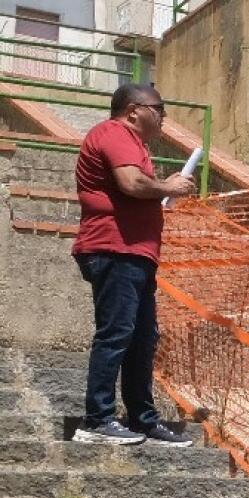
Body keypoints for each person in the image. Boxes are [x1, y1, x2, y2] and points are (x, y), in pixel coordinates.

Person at [71, 82, 195, 446]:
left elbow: (135, 189)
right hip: (115, 251)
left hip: (134, 254)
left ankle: (142, 420)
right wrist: (169, 187)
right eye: (159, 109)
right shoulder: (114, 132)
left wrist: (160, 193)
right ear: (133, 111)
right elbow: (130, 183)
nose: (163, 118)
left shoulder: (135, 144)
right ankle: (97, 419)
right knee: (117, 333)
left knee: (142, 338)